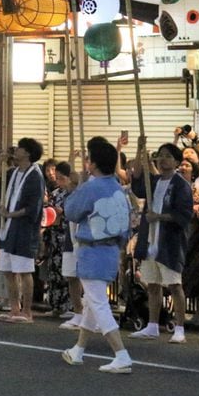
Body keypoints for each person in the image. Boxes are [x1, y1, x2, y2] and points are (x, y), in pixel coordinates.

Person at [60, 137, 134, 374]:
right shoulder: (118, 189)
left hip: (91, 250)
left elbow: (70, 211)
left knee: (98, 303)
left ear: (93, 163)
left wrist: (80, 184)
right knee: (92, 302)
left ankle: (121, 354)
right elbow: (127, 224)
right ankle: (78, 350)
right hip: (112, 251)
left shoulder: (91, 187)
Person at [130, 143, 193, 343]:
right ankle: (152, 325)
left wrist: (159, 217)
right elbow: (137, 184)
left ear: (176, 161)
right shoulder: (154, 181)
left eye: (168, 156)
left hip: (169, 242)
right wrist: (140, 152)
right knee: (153, 285)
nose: (163, 159)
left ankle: (180, 327)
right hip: (150, 240)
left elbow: (183, 215)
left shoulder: (181, 184)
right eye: (160, 156)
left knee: (174, 284)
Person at [0, 137, 46, 324]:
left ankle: (27, 311)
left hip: (24, 230)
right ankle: (14, 308)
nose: (16, 150)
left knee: (24, 271)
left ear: (27, 153)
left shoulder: (35, 175)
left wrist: (11, 214)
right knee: (8, 270)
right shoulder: (13, 173)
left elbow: (33, 208)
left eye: (20, 148)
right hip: (8, 229)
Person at [178, 155, 199, 328]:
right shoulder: (174, 185)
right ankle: (180, 312)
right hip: (180, 235)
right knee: (180, 276)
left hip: (197, 235)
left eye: (187, 165)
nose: (183, 167)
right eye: (181, 164)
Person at [43, 161, 76, 319]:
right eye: (58, 178)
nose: (59, 181)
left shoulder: (72, 193)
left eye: (62, 178)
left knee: (66, 273)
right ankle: (55, 305)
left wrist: (61, 212)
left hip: (66, 234)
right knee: (54, 272)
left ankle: (68, 305)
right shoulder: (55, 193)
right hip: (54, 235)